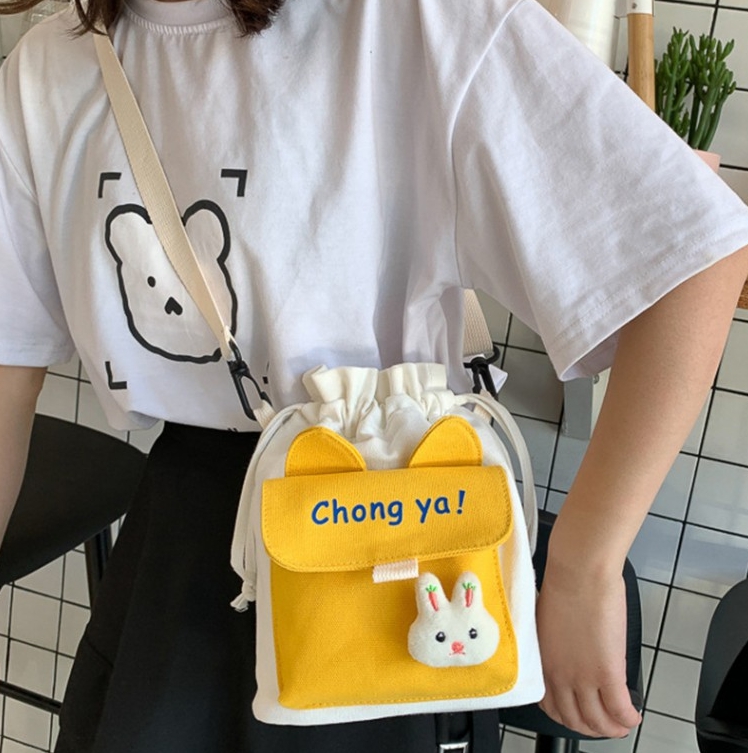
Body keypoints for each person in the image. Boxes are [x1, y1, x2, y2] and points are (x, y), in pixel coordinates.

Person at [1, 0, 747, 750]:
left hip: (385, 537)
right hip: (182, 548)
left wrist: (586, 565)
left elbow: (698, 251)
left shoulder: (416, 21)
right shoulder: (47, 67)